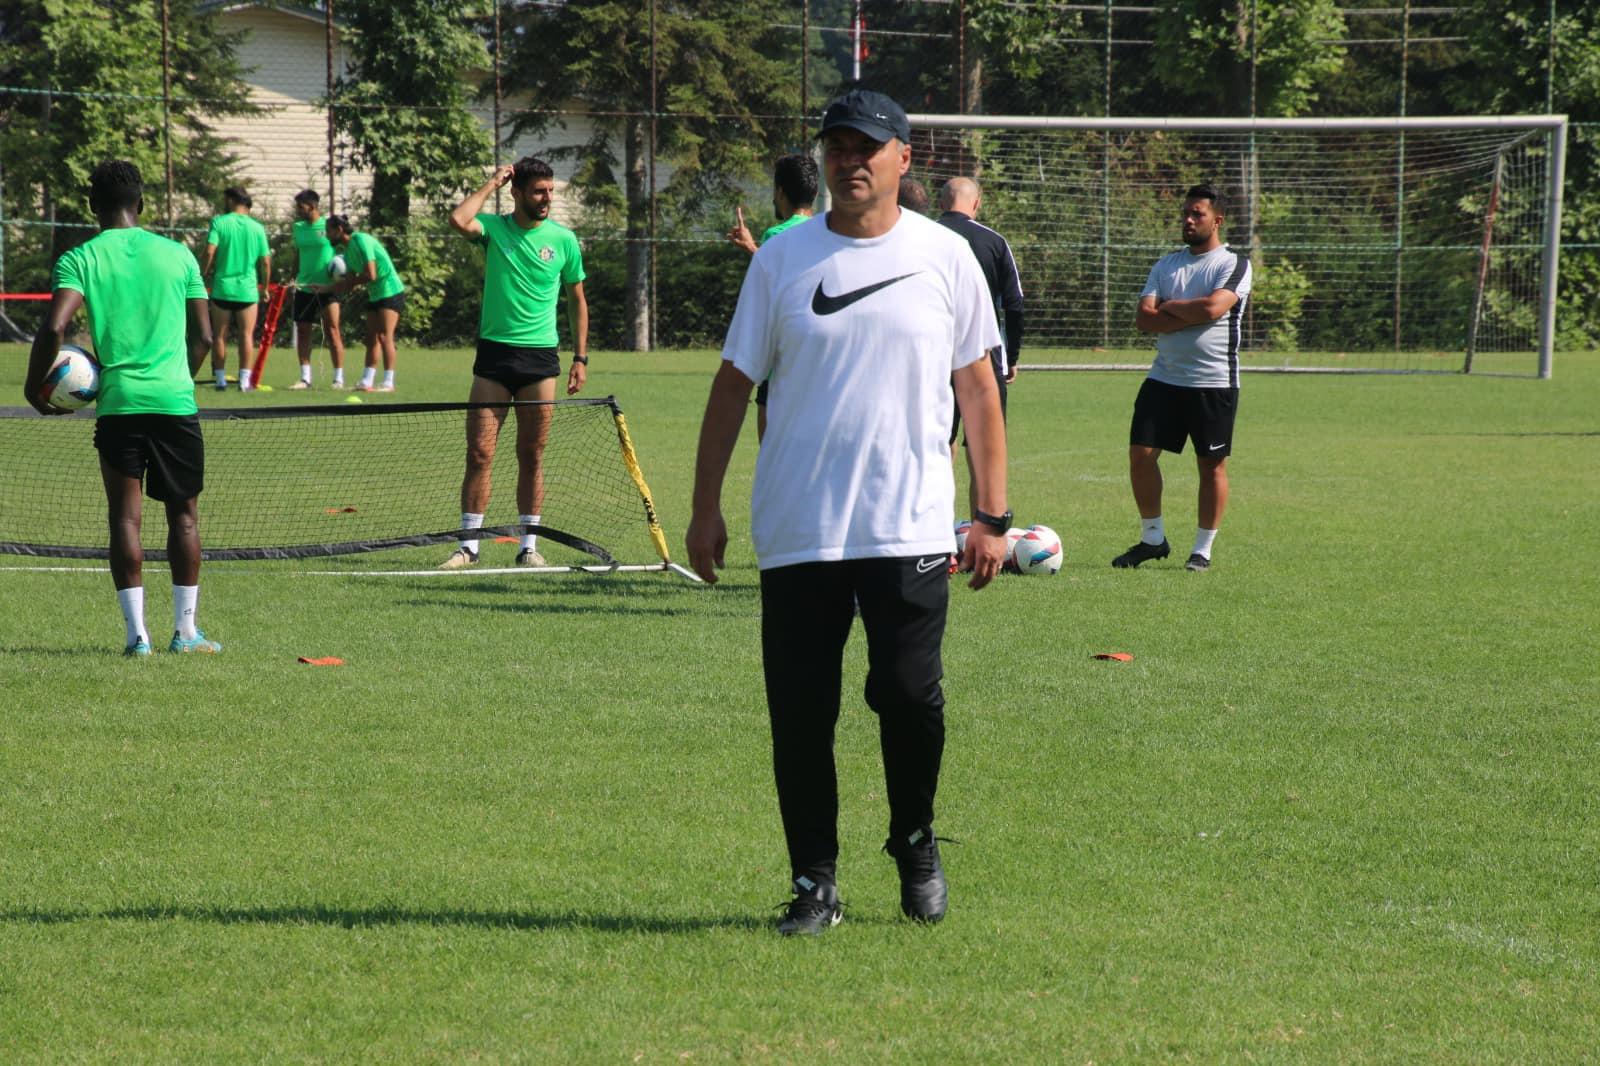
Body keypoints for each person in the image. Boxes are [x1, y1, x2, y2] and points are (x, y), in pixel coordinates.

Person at [686, 89, 1009, 936]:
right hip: (798, 528)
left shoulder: (946, 256)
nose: (849, 160)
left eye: (867, 147)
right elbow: (731, 388)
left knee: (908, 697)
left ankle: (913, 838)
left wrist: (993, 515)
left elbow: (977, 388)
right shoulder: (781, 261)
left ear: (905, 158)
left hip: (907, 524)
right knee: (800, 714)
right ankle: (814, 884)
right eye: (836, 145)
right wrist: (704, 508)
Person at [24, 160, 221, 655]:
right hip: (175, 401)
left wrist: (35, 389)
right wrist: (179, 377)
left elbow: (53, 329)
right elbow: (203, 337)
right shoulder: (178, 256)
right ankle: (187, 633)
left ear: (93, 205)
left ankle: (137, 638)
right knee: (186, 518)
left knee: (125, 520)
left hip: (119, 405)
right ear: (142, 203)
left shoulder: (80, 258)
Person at [440, 157, 588, 569]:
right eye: (539, 191)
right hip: (494, 355)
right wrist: (491, 181)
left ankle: (529, 546)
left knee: (533, 454)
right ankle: (468, 546)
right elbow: (457, 219)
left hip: (540, 360)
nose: (546, 199)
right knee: (479, 453)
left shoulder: (563, 239)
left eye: (550, 191)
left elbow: (578, 301)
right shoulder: (494, 229)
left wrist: (580, 357)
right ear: (517, 192)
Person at [1118, 182, 1252, 572]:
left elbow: (1213, 308)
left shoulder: (1233, 264)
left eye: (1198, 214)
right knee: (1140, 458)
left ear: (1218, 220)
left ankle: (1202, 550)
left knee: (1211, 466)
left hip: (1213, 382)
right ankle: (1152, 540)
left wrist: (1170, 308)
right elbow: (1144, 319)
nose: (1189, 220)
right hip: (1163, 380)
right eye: (1187, 213)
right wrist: (1184, 312)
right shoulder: (1166, 265)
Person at [936, 177, 1025, 512]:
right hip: (983, 357)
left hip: (935, 358)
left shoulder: (923, 237)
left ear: (941, 203)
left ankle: (940, 536)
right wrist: (1011, 356)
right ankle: (979, 530)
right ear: (976, 204)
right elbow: (1015, 304)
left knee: (941, 444)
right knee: (981, 449)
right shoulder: (994, 241)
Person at [725, 153, 818, 442]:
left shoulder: (776, 235)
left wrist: (756, 248)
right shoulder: (828, 232)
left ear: (779, 192)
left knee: (773, 455)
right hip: (818, 365)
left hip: (781, 367)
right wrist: (753, 249)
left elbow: (774, 284)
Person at [322, 215, 403, 393]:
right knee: (371, 338)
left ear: (339, 230)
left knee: (384, 336)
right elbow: (350, 282)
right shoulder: (347, 251)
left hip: (390, 290)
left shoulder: (361, 240)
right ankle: (367, 381)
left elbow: (371, 274)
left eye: (329, 231)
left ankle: (388, 382)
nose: (327, 236)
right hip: (375, 294)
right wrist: (323, 288)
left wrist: (347, 283)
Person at [199, 186, 269, 391]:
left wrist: (202, 274)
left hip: (222, 288)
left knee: (220, 335)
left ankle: (220, 380)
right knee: (247, 336)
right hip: (247, 291)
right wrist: (264, 287)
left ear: (230, 200)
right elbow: (265, 261)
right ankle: (245, 381)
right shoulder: (257, 228)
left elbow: (209, 252)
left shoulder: (219, 223)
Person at [287, 189, 347, 390]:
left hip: (328, 288)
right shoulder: (298, 228)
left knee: (332, 330)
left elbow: (344, 252)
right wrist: (292, 278)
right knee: (303, 331)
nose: (298, 210)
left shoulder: (328, 226)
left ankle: (338, 379)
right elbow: (297, 255)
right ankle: (305, 378)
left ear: (312, 206)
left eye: (301, 207)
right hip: (305, 287)